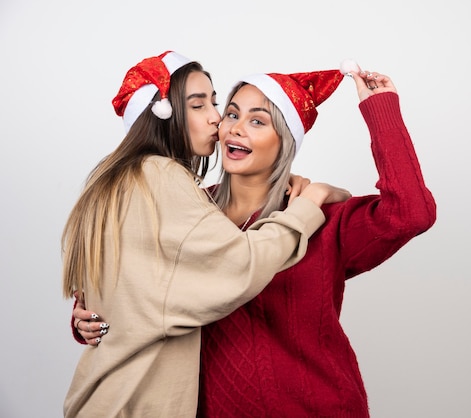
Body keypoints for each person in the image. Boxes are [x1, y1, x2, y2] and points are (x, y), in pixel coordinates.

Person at [74, 61, 437, 416]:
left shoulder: (324, 221)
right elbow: (137, 284)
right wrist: (91, 316)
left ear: (285, 141)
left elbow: (411, 212)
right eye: (231, 114)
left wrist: (380, 109)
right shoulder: (182, 209)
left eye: (258, 121)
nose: (234, 128)